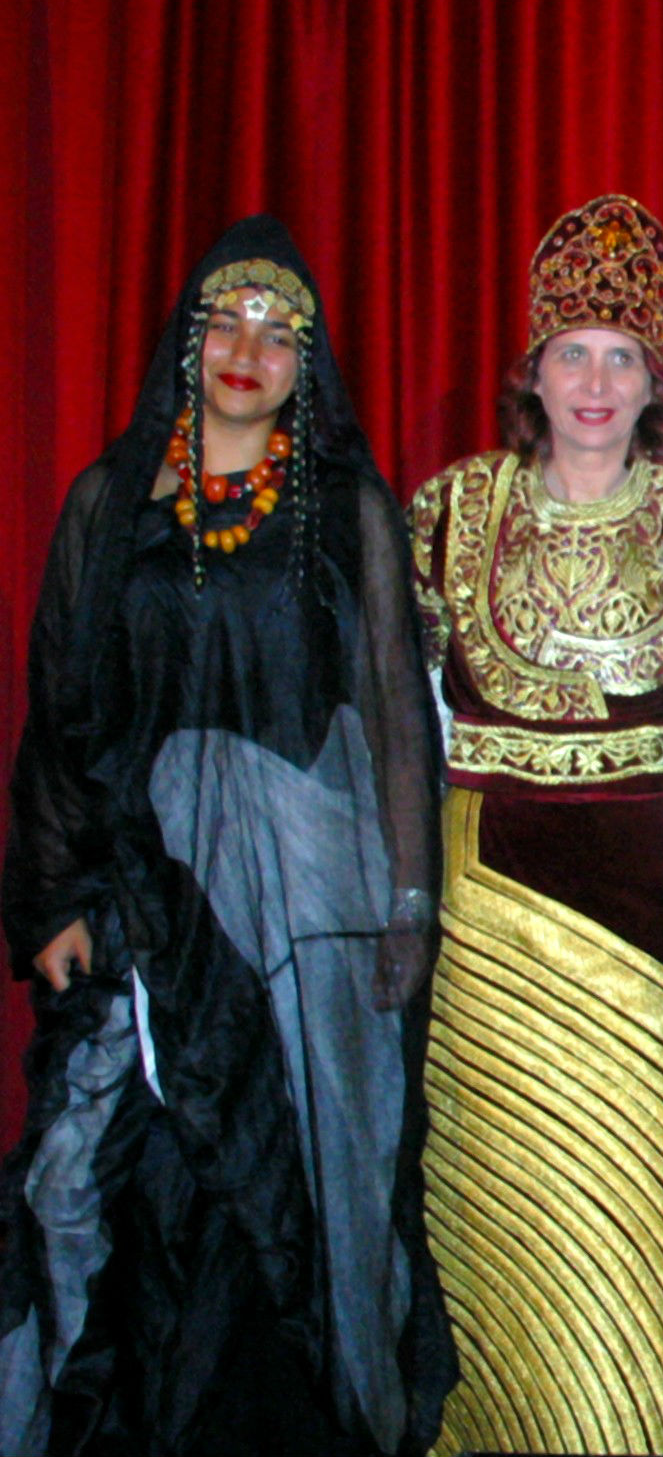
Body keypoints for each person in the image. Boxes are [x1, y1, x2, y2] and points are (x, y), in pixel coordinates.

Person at [0, 217, 454, 1453]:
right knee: (115, 1202)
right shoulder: (107, 504)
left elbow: (397, 724)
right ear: (188, 341)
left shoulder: (343, 513)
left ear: (308, 364)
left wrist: (408, 914)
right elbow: (63, 709)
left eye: (278, 330)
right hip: (142, 933)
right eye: (226, 321)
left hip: (300, 945)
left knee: (295, 1219)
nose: (247, 348)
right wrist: (48, 903)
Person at [404, 194, 663, 1451]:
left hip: (657, 907)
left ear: (652, 380)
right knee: (506, 1213)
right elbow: (386, 708)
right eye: (572, 352)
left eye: (620, 357)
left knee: (656, 1205)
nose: (594, 381)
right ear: (534, 369)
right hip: (489, 905)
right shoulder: (448, 511)